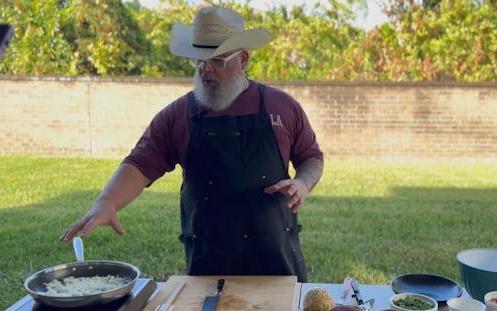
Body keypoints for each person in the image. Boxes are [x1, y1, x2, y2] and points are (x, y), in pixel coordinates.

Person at [60, 6, 324, 282]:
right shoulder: (178, 115)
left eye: (217, 60)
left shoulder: (282, 107)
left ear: (243, 59)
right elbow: (140, 163)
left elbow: (311, 158)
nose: (204, 68)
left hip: (277, 263)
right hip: (209, 264)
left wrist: (303, 183)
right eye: (198, 59)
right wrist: (107, 202)